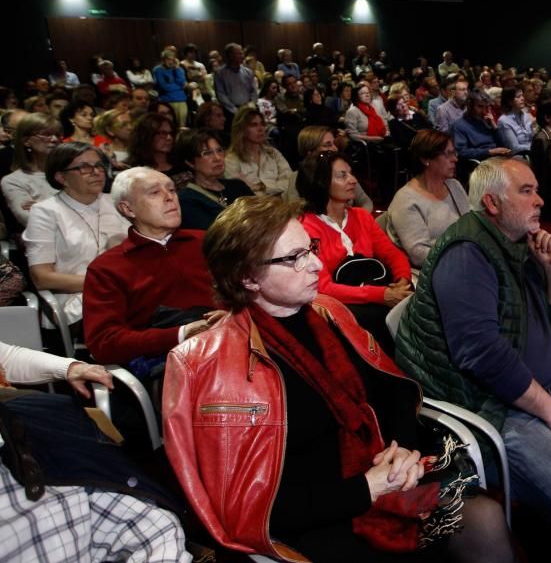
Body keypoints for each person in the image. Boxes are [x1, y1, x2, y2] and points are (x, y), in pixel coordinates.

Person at [162, 196, 514, 563]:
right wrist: (367, 487)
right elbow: (247, 509)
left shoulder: (329, 312)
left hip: (378, 478)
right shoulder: (207, 364)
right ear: (247, 277)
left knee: (484, 518)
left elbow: (388, 398)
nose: (316, 264)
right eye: (294, 258)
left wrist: (404, 452)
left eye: (310, 248)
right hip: (309, 519)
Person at [394, 157, 551, 563]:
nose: (540, 200)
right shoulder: (467, 253)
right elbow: (481, 355)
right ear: (493, 203)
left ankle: (549, 522)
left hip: (544, 383)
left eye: (537, 189)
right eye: (527, 191)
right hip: (495, 406)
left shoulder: (521, 243)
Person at [0, 342, 194, 563]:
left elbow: (5, 354)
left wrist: (69, 367)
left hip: (24, 421)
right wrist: (180, 333)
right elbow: (106, 341)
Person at [83, 166, 218, 368]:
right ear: (128, 209)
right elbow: (104, 343)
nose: (169, 197)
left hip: (231, 341)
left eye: (172, 190)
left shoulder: (209, 242)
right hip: (170, 362)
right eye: (155, 192)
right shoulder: (107, 268)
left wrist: (234, 316)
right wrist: (181, 333)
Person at [297, 151, 412, 351]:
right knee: (382, 319)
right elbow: (322, 286)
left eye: (351, 173)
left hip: (373, 288)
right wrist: (380, 295)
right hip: (343, 303)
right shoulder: (306, 228)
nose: (353, 180)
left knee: (415, 301)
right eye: (342, 175)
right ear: (321, 183)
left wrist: (403, 281)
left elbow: (392, 254)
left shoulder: (361, 216)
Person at [22, 142, 130, 332]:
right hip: (77, 302)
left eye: (99, 165)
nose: (96, 172)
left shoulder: (115, 203)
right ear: (61, 177)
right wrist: (103, 284)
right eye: (84, 168)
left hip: (126, 293)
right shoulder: (45, 212)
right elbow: (42, 277)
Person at [384, 130, 468, 270]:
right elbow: (420, 255)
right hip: (434, 271)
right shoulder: (406, 200)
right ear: (425, 159)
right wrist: (465, 256)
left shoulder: (454, 186)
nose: (455, 159)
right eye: (448, 154)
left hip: (463, 260)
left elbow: (470, 225)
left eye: (454, 153)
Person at [174, 129, 254, 229]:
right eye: (207, 153)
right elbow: (214, 235)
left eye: (219, 150)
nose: (217, 158)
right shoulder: (187, 199)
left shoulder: (238, 186)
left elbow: (262, 216)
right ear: (190, 162)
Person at [1, 113, 60, 228]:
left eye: (57, 134)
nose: (54, 139)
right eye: (45, 134)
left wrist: (44, 208)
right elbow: (34, 221)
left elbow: (100, 210)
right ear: (26, 141)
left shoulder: (73, 171)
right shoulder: (13, 181)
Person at [224, 105, 292, 196]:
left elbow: (290, 181)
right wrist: (276, 188)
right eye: (253, 125)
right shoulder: (231, 159)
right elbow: (240, 193)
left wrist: (261, 187)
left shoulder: (273, 153)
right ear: (242, 129)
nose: (260, 129)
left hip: (281, 204)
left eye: (262, 124)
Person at [452, 91, 510, 162]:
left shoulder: (486, 121)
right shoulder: (458, 126)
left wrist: (494, 127)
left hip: (497, 159)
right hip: (480, 164)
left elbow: (505, 146)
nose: (484, 111)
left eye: (486, 107)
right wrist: (490, 152)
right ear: (469, 106)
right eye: (480, 107)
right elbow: (462, 153)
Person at [214, 42, 257, 117]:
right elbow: (221, 95)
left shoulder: (248, 72)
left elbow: (253, 90)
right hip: (230, 112)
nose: (243, 56)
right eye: (239, 54)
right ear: (230, 55)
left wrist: (252, 104)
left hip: (248, 109)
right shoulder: (220, 73)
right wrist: (235, 110)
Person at [497, 87, 534, 156]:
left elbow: (532, 138)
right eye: (518, 97)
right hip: (518, 156)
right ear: (509, 101)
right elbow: (514, 148)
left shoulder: (526, 115)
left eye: (522, 95)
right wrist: (534, 148)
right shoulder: (504, 121)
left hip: (533, 152)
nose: (522, 98)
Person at [152, 49, 187, 123]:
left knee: (182, 125)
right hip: (167, 100)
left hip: (181, 99)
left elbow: (182, 82)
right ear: (163, 60)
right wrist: (179, 87)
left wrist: (177, 68)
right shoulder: (158, 70)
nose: (170, 62)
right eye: (168, 59)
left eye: (172, 59)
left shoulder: (179, 69)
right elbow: (164, 86)